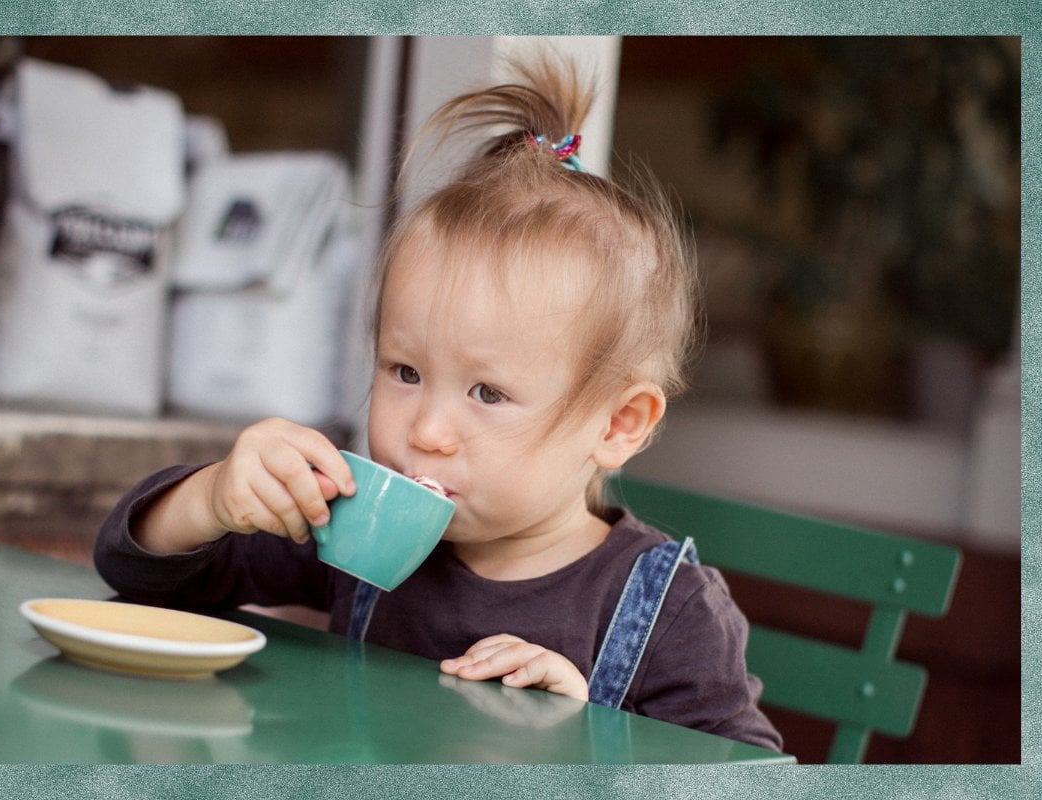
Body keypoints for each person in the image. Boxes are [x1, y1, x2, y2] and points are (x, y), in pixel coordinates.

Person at [94, 54, 782, 751]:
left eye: (488, 392)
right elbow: (140, 576)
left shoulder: (668, 610)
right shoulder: (356, 532)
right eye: (404, 370)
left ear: (617, 424)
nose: (424, 430)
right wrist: (211, 498)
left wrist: (589, 746)